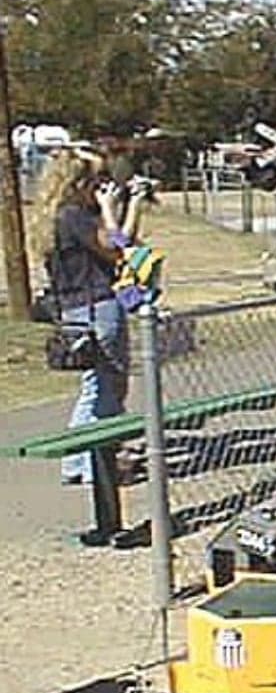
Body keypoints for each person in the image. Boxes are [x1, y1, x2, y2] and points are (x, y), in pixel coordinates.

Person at [30, 149, 148, 520]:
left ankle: (81, 461)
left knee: (95, 385)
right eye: (94, 182)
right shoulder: (73, 216)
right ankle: (94, 460)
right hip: (98, 307)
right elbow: (116, 250)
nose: (98, 189)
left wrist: (131, 205)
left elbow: (122, 243)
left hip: (73, 309)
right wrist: (116, 208)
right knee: (109, 385)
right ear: (77, 184)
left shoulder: (52, 217)